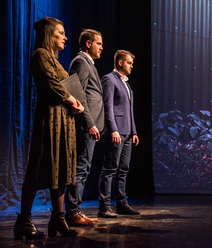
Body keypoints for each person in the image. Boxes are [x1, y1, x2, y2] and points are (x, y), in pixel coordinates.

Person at [14, 17, 84, 240]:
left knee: (61, 168)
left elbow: (66, 84)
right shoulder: (40, 55)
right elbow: (53, 84)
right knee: (38, 167)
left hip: (63, 121)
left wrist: (77, 102)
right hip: (49, 121)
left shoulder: (56, 60)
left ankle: (59, 219)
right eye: (60, 33)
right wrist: (71, 100)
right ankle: (24, 221)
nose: (65, 37)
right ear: (48, 34)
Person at [65, 29, 104, 226]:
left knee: (84, 167)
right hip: (86, 125)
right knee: (81, 168)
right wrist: (90, 124)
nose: (101, 48)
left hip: (91, 125)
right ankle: (73, 212)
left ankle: (74, 211)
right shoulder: (81, 62)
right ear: (88, 43)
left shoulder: (88, 63)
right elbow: (77, 94)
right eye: (99, 43)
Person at [98, 50, 139, 218]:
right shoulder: (109, 79)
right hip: (116, 131)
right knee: (110, 169)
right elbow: (107, 106)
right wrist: (113, 129)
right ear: (120, 63)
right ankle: (104, 206)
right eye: (129, 63)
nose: (132, 66)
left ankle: (122, 204)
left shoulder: (126, 83)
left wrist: (134, 132)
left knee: (124, 169)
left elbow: (129, 111)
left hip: (127, 132)